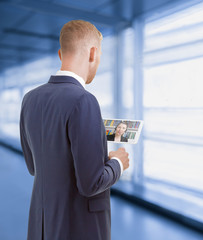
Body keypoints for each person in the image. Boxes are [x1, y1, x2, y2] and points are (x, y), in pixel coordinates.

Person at [19, 20, 129, 240]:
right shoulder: (84, 101)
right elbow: (91, 184)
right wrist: (117, 162)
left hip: (41, 227)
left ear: (61, 54)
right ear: (92, 53)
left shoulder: (29, 99)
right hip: (77, 228)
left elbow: (33, 166)